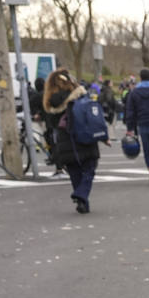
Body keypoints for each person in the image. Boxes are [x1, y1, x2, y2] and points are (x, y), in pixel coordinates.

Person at [43, 68, 107, 213]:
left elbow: (50, 124)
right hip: (84, 137)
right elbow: (92, 117)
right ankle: (81, 195)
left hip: (64, 140)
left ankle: (82, 202)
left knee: (74, 171)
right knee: (89, 168)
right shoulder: (79, 96)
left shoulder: (51, 102)